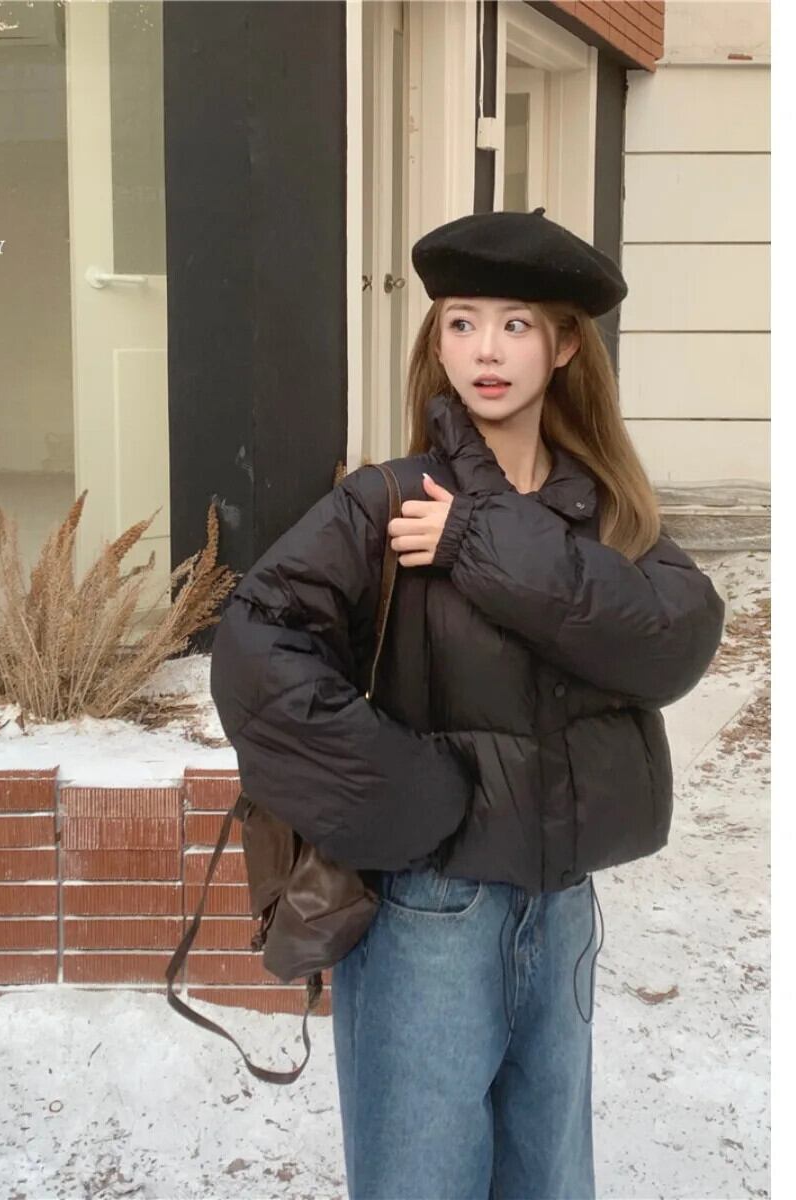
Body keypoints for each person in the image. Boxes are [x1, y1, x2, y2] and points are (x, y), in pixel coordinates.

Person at [209, 208, 726, 1200]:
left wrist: (476, 542)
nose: (485, 349)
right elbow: (256, 644)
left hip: (561, 910)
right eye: (460, 321)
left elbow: (671, 643)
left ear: (564, 346)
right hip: (428, 914)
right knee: (422, 1180)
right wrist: (405, 798)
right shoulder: (388, 500)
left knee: (548, 1180)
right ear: (436, 342)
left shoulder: (606, 512)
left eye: (515, 323)